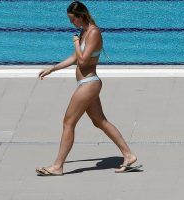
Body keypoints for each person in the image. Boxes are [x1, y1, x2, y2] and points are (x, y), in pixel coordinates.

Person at [36, 1, 140, 176]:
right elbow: (74, 58)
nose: (71, 23)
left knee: (68, 122)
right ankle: (128, 155)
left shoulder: (93, 33)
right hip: (86, 83)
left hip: (89, 83)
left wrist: (76, 43)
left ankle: (57, 166)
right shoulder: (85, 32)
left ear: (80, 16)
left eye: (72, 19)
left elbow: (82, 60)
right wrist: (52, 69)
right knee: (100, 121)